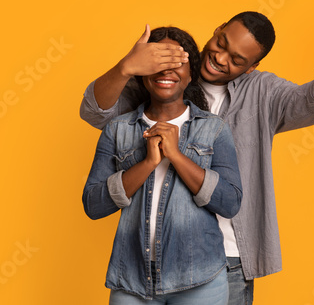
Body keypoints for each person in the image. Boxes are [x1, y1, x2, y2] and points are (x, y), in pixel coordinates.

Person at [80, 11, 314, 305]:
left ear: (252, 67)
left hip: (228, 257)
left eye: (237, 60)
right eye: (221, 42)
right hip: (153, 256)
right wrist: (126, 67)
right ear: (216, 30)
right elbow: (96, 110)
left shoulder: (262, 92)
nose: (220, 58)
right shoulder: (164, 80)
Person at [82, 26, 243, 304]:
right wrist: (147, 163)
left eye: (177, 63)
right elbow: (93, 206)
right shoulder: (117, 129)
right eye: (157, 62)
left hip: (200, 279)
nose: (166, 70)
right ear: (142, 71)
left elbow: (230, 202)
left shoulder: (214, 129)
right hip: (132, 280)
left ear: (190, 73)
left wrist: (177, 156)